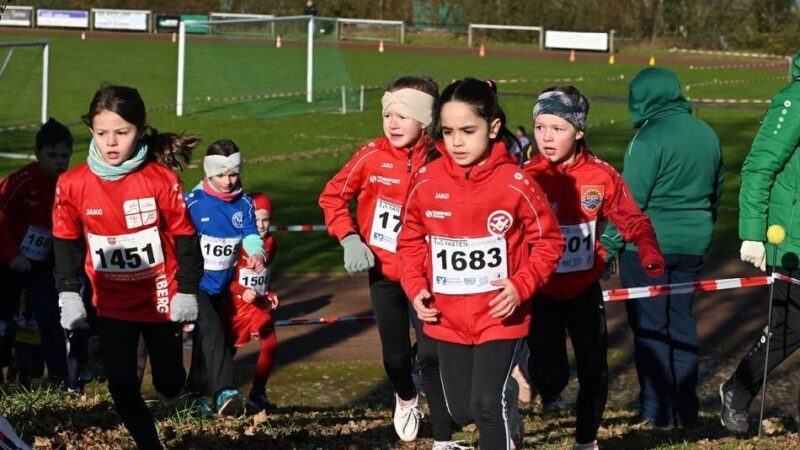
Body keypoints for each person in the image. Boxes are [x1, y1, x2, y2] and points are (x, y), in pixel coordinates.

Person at [398, 78, 565, 450]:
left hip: (501, 316)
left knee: (486, 405)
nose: (457, 142)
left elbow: (549, 242)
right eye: (448, 132)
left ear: (492, 128)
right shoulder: (426, 180)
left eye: (468, 131)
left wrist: (520, 286)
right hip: (447, 317)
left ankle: (500, 406)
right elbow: (407, 242)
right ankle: (505, 396)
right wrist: (415, 287)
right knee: (463, 410)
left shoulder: (516, 182)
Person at [54, 84, 203, 450]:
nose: (111, 143)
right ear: (91, 131)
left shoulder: (160, 180)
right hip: (113, 302)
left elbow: (185, 238)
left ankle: (172, 376)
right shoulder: (72, 184)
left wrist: (186, 288)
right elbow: (65, 241)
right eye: (102, 133)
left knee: (170, 383)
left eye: (122, 132)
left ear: (140, 129)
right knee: (122, 385)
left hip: (161, 298)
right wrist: (68, 293)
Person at [524, 85, 665, 450]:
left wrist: (647, 246)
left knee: (594, 370)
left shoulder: (601, 175)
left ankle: (585, 442)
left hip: (583, 289)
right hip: (540, 291)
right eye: (540, 127)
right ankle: (531, 381)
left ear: (579, 131)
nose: (547, 137)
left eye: (558, 128)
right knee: (550, 377)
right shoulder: (526, 176)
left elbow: (632, 219)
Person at [318, 76, 457, 447]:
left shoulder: (444, 160)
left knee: (432, 353)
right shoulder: (370, 156)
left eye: (403, 116)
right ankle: (406, 396)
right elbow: (332, 197)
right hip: (383, 275)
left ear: (426, 121)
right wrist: (348, 238)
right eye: (387, 115)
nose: (393, 123)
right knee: (396, 358)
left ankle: (444, 424)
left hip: (429, 278)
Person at [600, 67, 724, 429]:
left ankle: (656, 412)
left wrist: (607, 247)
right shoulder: (707, 133)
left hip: (647, 249)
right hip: (693, 245)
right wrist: (702, 229)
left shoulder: (648, 137)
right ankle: (687, 412)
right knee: (682, 326)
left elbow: (629, 203)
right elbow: (716, 190)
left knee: (652, 329)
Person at [719, 50, 800, 434]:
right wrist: (753, 232)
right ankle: (738, 388)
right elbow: (758, 166)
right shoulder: (794, 99)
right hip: (792, 240)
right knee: (790, 326)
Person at [185, 139, 266, 416]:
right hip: (195, 283)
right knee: (212, 330)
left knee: (207, 338)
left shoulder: (244, 203)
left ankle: (194, 395)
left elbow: (251, 234)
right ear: (208, 172)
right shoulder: (193, 203)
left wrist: (257, 254)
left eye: (233, 173)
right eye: (221, 174)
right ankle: (224, 392)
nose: (228, 181)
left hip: (223, 284)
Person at [0, 118, 73, 386]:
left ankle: (60, 379)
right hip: (9, 262)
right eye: (52, 155)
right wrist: (11, 255)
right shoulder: (22, 180)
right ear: (38, 154)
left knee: (49, 317)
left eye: (64, 155)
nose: (59, 161)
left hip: (42, 263)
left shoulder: (68, 184)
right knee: (4, 323)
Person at [225, 192, 279, 411]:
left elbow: (262, 276)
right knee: (227, 351)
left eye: (266, 220)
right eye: (256, 219)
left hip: (256, 307)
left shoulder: (271, 243)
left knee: (270, 343)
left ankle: (258, 392)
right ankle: (221, 394)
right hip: (233, 307)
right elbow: (221, 277)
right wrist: (240, 291)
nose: (262, 225)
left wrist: (268, 293)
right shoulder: (235, 243)